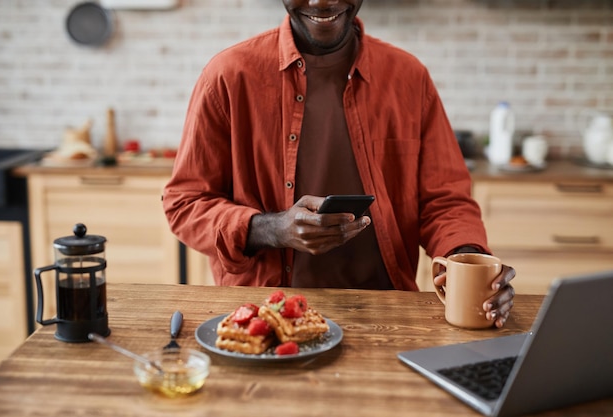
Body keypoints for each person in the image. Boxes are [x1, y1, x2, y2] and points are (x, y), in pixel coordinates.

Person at [163, 0, 516, 327]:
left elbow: (446, 201)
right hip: (265, 317)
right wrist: (272, 228)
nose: (321, 2)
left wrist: (467, 262)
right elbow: (185, 204)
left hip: (388, 312)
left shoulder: (409, 77)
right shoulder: (227, 75)